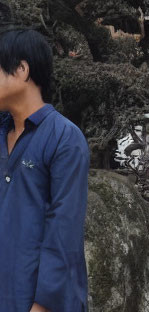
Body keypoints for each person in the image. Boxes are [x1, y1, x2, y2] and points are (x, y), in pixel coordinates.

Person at [0, 28, 90, 312]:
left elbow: (64, 230)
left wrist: (43, 305)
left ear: (22, 70)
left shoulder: (65, 137)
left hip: (39, 300)